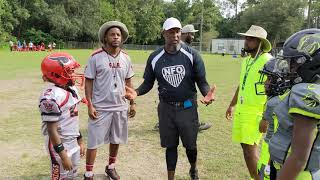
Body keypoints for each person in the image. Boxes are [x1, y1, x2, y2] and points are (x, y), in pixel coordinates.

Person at [125, 17, 216, 180]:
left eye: (177, 31)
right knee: (170, 146)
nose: (175, 35)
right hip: (166, 108)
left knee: (190, 146)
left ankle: (193, 169)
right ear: (163, 34)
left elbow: (201, 81)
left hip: (188, 106)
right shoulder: (155, 57)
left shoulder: (192, 55)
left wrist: (206, 93)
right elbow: (148, 82)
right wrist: (136, 92)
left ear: (180, 33)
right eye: (171, 32)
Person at [83, 21, 135, 180]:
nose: (116, 37)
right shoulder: (95, 57)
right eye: (112, 34)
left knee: (116, 138)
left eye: (118, 35)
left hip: (120, 106)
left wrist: (132, 103)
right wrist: (90, 105)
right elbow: (89, 82)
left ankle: (111, 167)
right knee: (93, 141)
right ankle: (89, 173)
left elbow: (128, 83)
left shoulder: (126, 58)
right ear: (105, 37)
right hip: (100, 107)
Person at [268, 29, 320, 180]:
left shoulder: (305, 92)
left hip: (295, 174)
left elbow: (298, 158)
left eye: (293, 62)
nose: (287, 67)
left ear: (312, 64)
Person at [225, 25, 273, 180]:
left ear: (260, 42)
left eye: (251, 39)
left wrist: (266, 117)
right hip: (242, 110)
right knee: (245, 148)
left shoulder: (269, 61)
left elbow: (273, 91)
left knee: (250, 151)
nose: (246, 41)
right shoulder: (246, 61)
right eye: (246, 38)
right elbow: (242, 84)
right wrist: (232, 104)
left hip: (256, 113)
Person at [39, 52, 85, 179]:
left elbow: (72, 118)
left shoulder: (72, 89)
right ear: (55, 74)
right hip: (59, 144)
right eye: (69, 72)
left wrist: (79, 140)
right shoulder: (50, 96)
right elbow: (51, 129)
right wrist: (63, 155)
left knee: (72, 174)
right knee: (60, 176)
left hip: (72, 140)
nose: (73, 74)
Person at [254, 58, 291, 179]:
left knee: (263, 175)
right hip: (286, 154)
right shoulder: (292, 97)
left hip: (269, 152)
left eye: (269, 79)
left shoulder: (272, 103)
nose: (265, 83)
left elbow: (262, 128)